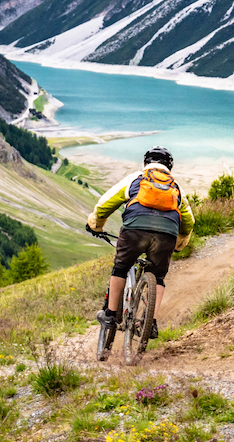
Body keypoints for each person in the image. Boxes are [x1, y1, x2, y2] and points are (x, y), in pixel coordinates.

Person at [88, 146, 195, 341]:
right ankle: (150, 323)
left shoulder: (137, 178)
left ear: (146, 162)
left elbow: (106, 204)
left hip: (135, 229)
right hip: (166, 234)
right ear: (169, 166)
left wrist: (95, 225)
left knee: (120, 267)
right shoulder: (176, 187)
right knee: (158, 276)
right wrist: (179, 244)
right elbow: (188, 221)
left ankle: (110, 314)